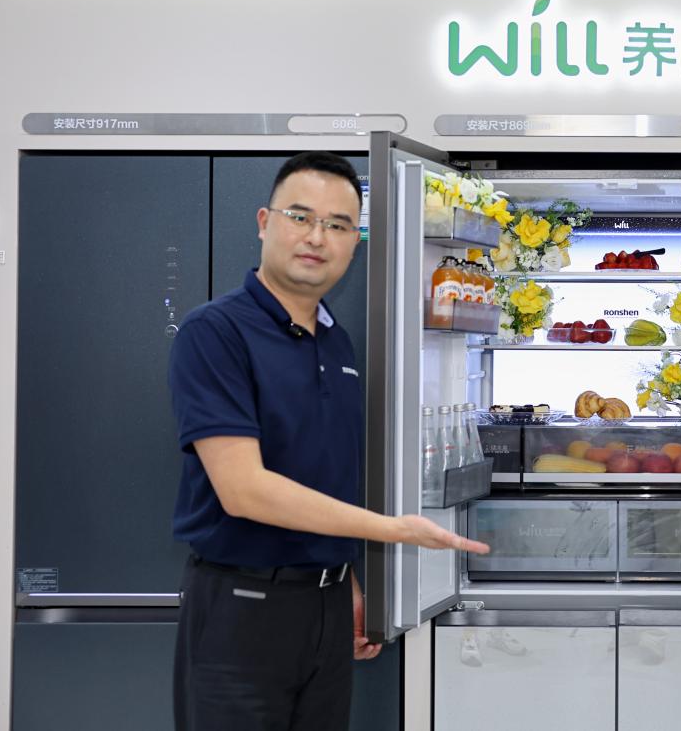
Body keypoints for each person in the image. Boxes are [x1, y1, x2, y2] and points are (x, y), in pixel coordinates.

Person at [168, 151, 489, 731]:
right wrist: (393, 530)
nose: (318, 237)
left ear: (354, 242)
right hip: (242, 608)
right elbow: (244, 490)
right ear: (264, 222)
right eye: (300, 217)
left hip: (326, 606)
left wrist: (346, 582)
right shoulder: (215, 332)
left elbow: (323, 472)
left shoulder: (335, 340)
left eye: (338, 225)